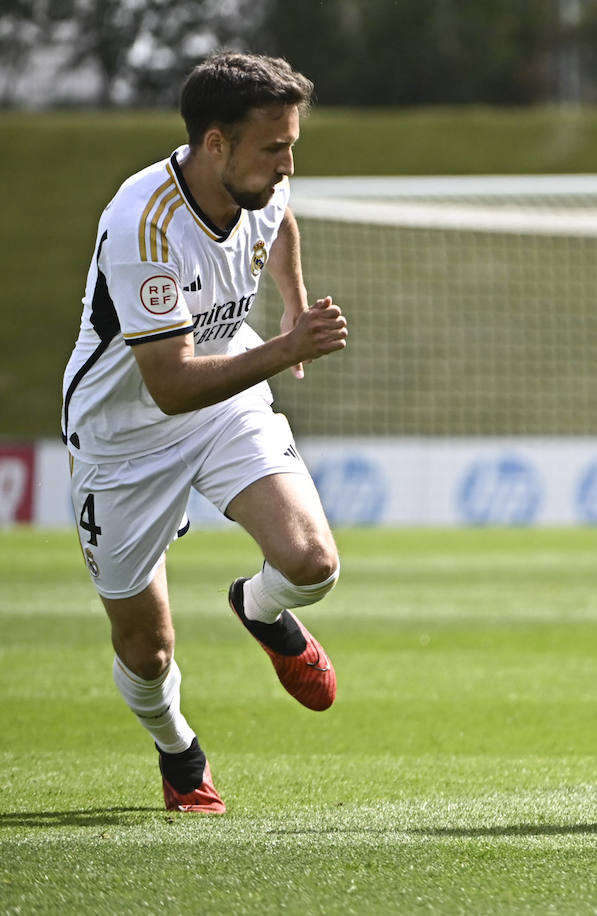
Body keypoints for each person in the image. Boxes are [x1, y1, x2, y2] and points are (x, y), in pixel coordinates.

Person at [61, 51, 348, 813]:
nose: (287, 165)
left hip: (225, 388)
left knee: (313, 563)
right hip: (124, 432)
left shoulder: (258, 184)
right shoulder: (142, 222)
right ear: (214, 144)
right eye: (274, 148)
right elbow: (168, 385)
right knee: (147, 651)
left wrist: (290, 301)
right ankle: (177, 749)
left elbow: (279, 219)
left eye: (292, 145)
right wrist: (288, 347)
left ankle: (258, 607)